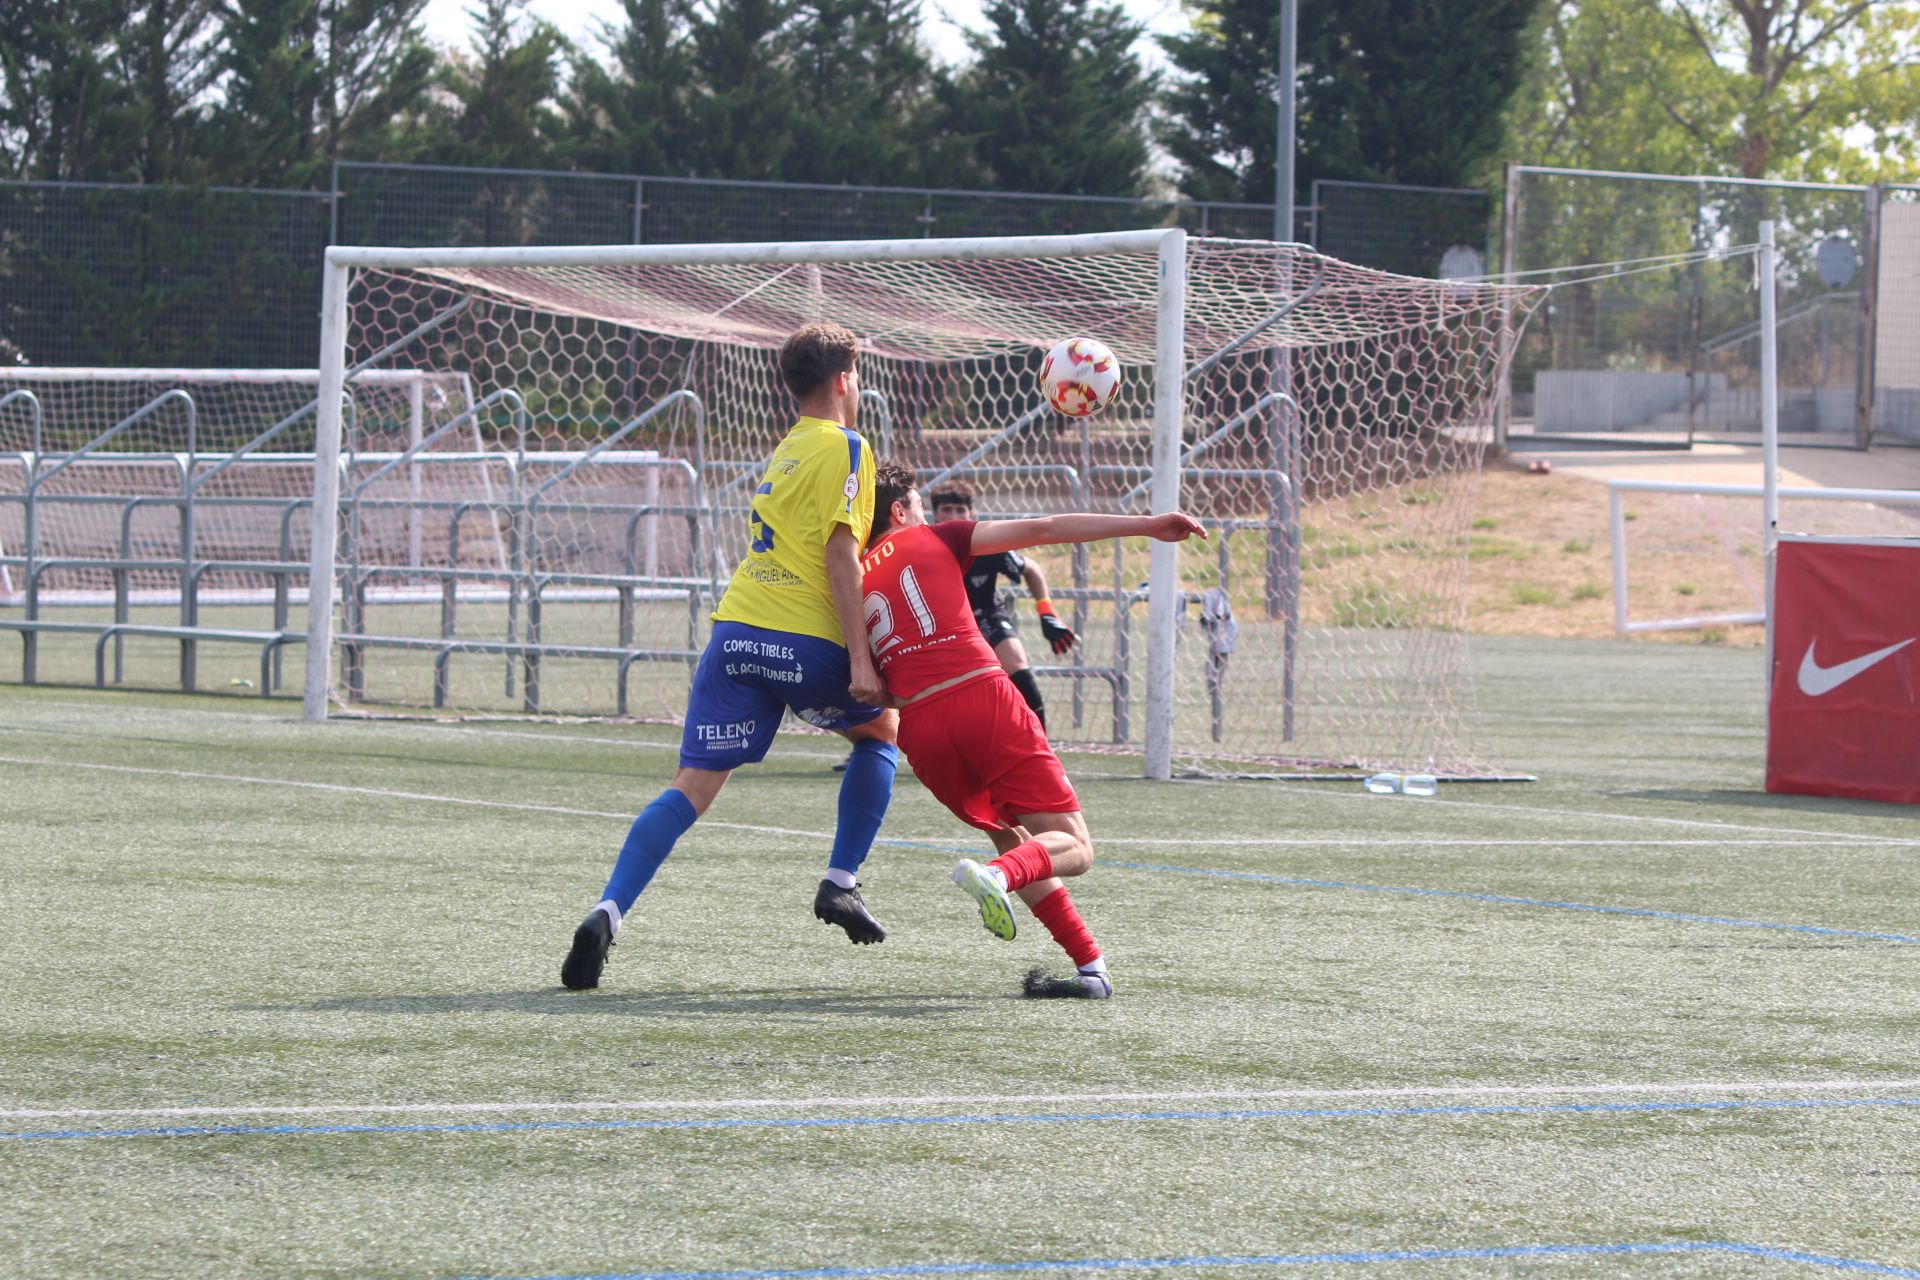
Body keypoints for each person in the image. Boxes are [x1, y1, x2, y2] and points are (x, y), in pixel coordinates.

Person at [561, 323, 901, 990]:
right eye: (857, 377)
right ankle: (840, 881)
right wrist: (861, 662)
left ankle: (608, 910)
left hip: (735, 632)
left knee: (691, 786)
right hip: (801, 639)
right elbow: (839, 555)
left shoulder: (786, 450)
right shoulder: (849, 445)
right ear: (842, 381)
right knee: (883, 731)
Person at [858, 461, 1206, 998]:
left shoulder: (850, 576)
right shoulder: (937, 538)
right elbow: (1046, 528)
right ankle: (996, 876)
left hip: (921, 729)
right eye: (920, 504)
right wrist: (1148, 525)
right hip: (979, 696)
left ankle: (1091, 967)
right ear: (900, 511)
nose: (926, 513)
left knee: (1013, 835)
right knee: (1073, 845)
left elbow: (868, 683)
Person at [830, 479, 1073, 772]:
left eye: (962, 508)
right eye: (947, 509)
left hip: (984, 617)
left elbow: (1031, 566)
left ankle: (1041, 751)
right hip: (932, 629)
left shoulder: (976, 541)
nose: (955, 515)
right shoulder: (923, 542)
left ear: (971, 512)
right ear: (932, 511)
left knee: (1017, 665)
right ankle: (873, 740)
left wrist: (1047, 611)